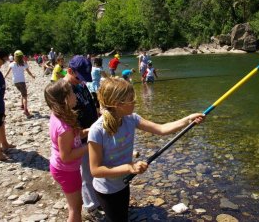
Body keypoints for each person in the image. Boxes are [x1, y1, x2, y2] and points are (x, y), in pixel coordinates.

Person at [88, 78, 205, 222]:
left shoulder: (131, 119)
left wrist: (188, 119)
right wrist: (129, 167)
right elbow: (95, 170)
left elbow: (162, 129)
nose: (135, 102)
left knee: (123, 216)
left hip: (123, 183)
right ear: (118, 104)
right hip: (106, 189)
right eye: (131, 99)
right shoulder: (97, 131)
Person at [63, 55, 105, 222]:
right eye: (80, 77)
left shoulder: (80, 84)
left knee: (96, 167)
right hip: (80, 137)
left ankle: (98, 199)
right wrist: (86, 131)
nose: (82, 81)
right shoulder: (64, 90)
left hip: (91, 132)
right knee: (87, 173)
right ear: (70, 71)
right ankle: (91, 206)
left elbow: (89, 103)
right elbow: (67, 122)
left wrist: (98, 114)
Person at [44, 79, 88, 222]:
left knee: (75, 205)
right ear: (65, 99)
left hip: (63, 168)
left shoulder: (59, 115)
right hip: (66, 170)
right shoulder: (64, 128)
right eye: (72, 93)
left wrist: (91, 131)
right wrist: (91, 146)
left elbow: (76, 135)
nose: (75, 96)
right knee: (75, 209)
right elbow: (67, 156)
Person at [0, 46, 16, 161]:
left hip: (0, 105)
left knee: (1, 124)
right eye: (3, 60)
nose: (3, 63)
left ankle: (5, 144)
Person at [4, 50, 35, 118]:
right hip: (21, 81)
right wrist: (32, 76)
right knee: (25, 96)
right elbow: (28, 72)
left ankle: (22, 105)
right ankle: (26, 111)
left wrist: (4, 77)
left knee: (22, 93)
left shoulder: (11, 64)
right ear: (22, 57)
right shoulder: (23, 64)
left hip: (15, 81)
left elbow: (7, 72)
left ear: (15, 56)